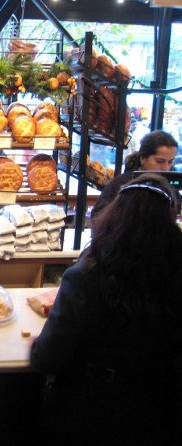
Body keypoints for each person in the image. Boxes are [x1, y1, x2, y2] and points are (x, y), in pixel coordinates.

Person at [30, 173, 182, 445]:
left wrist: (36, 343)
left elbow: (49, 357)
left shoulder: (85, 278)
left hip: (90, 411)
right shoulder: (174, 279)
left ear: (113, 220)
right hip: (158, 411)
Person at [91, 129, 177, 217]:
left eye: (170, 162)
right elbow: (97, 217)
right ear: (143, 158)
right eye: (160, 161)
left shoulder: (170, 186)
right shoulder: (121, 184)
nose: (166, 168)